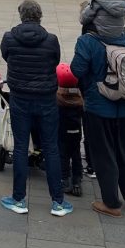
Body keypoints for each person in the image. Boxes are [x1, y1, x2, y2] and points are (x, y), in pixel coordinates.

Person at [71, 0, 125, 216]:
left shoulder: (88, 41)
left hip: (98, 107)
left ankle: (111, 203)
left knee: (104, 155)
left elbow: (77, 70)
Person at [0, 0, 72, 217]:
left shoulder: (9, 38)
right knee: (51, 147)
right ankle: (57, 202)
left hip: (20, 97)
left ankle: (19, 199)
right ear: (40, 15)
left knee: (21, 147)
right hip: (46, 99)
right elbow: (55, 62)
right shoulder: (51, 40)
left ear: (21, 15)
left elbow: (6, 57)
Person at [56, 63, 84, 197]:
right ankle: (77, 179)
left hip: (62, 132)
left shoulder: (58, 99)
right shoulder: (80, 98)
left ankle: (65, 178)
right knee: (76, 153)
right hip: (76, 131)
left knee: (63, 155)